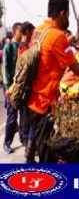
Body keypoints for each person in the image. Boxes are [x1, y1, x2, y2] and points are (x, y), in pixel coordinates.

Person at [27, 0, 79, 163]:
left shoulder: (39, 31)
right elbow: (77, 69)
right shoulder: (57, 36)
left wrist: (71, 39)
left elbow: (50, 54)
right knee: (49, 157)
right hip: (43, 105)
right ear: (62, 14)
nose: (68, 18)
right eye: (68, 14)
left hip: (33, 101)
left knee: (48, 150)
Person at [17, 21, 36, 163]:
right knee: (31, 123)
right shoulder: (24, 49)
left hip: (26, 90)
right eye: (32, 32)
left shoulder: (23, 48)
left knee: (30, 122)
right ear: (28, 31)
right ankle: (29, 154)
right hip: (27, 91)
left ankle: (29, 152)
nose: (33, 35)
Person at [2, 23, 22, 154]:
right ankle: (6, 143)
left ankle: (22, 138)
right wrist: (8, 89)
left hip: (20, 86)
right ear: (15, 32)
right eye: (21, 31)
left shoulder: (22, 47)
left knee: (22, 115)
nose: (22, 33)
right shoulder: (8, 48)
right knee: (11, 115)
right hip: (11, 88)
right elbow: (5, 68)